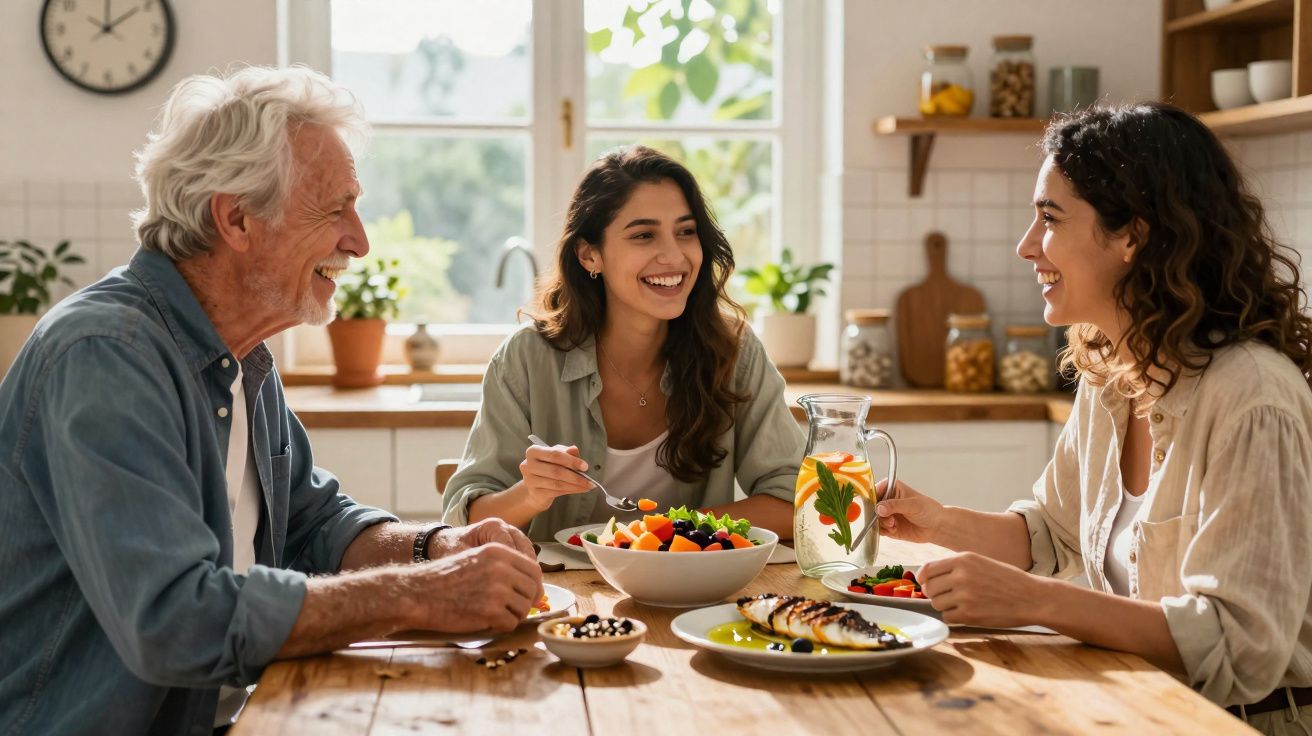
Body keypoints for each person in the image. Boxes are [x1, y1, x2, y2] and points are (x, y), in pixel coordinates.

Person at [0, 66, 542, 735]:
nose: (360, 241)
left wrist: (438, 547)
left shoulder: (240, 355)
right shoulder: (104, 356)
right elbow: (175, 621)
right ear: (236, 219)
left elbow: (314, 526)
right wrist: (424, 594)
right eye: (333, 209)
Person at [874, 102, 1312, 733]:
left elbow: (1240, 644)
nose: (1027, 245)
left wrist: (1033, 602)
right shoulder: (1112, 372)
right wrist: (938, 522)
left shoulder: (1253, 398)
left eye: (1049, 218)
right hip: (1142, 706)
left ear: (1132, 235)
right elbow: (1053, 534)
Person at [441, 146, 806, 541]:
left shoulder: (732, 350)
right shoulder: (527, 359)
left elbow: (795, 501)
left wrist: (663, 534)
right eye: (644, 235)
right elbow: (465, 524)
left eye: (686, 231)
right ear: (589, 255)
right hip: (562, 596)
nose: (674, 255)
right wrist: (529, 494)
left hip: (694, 593)